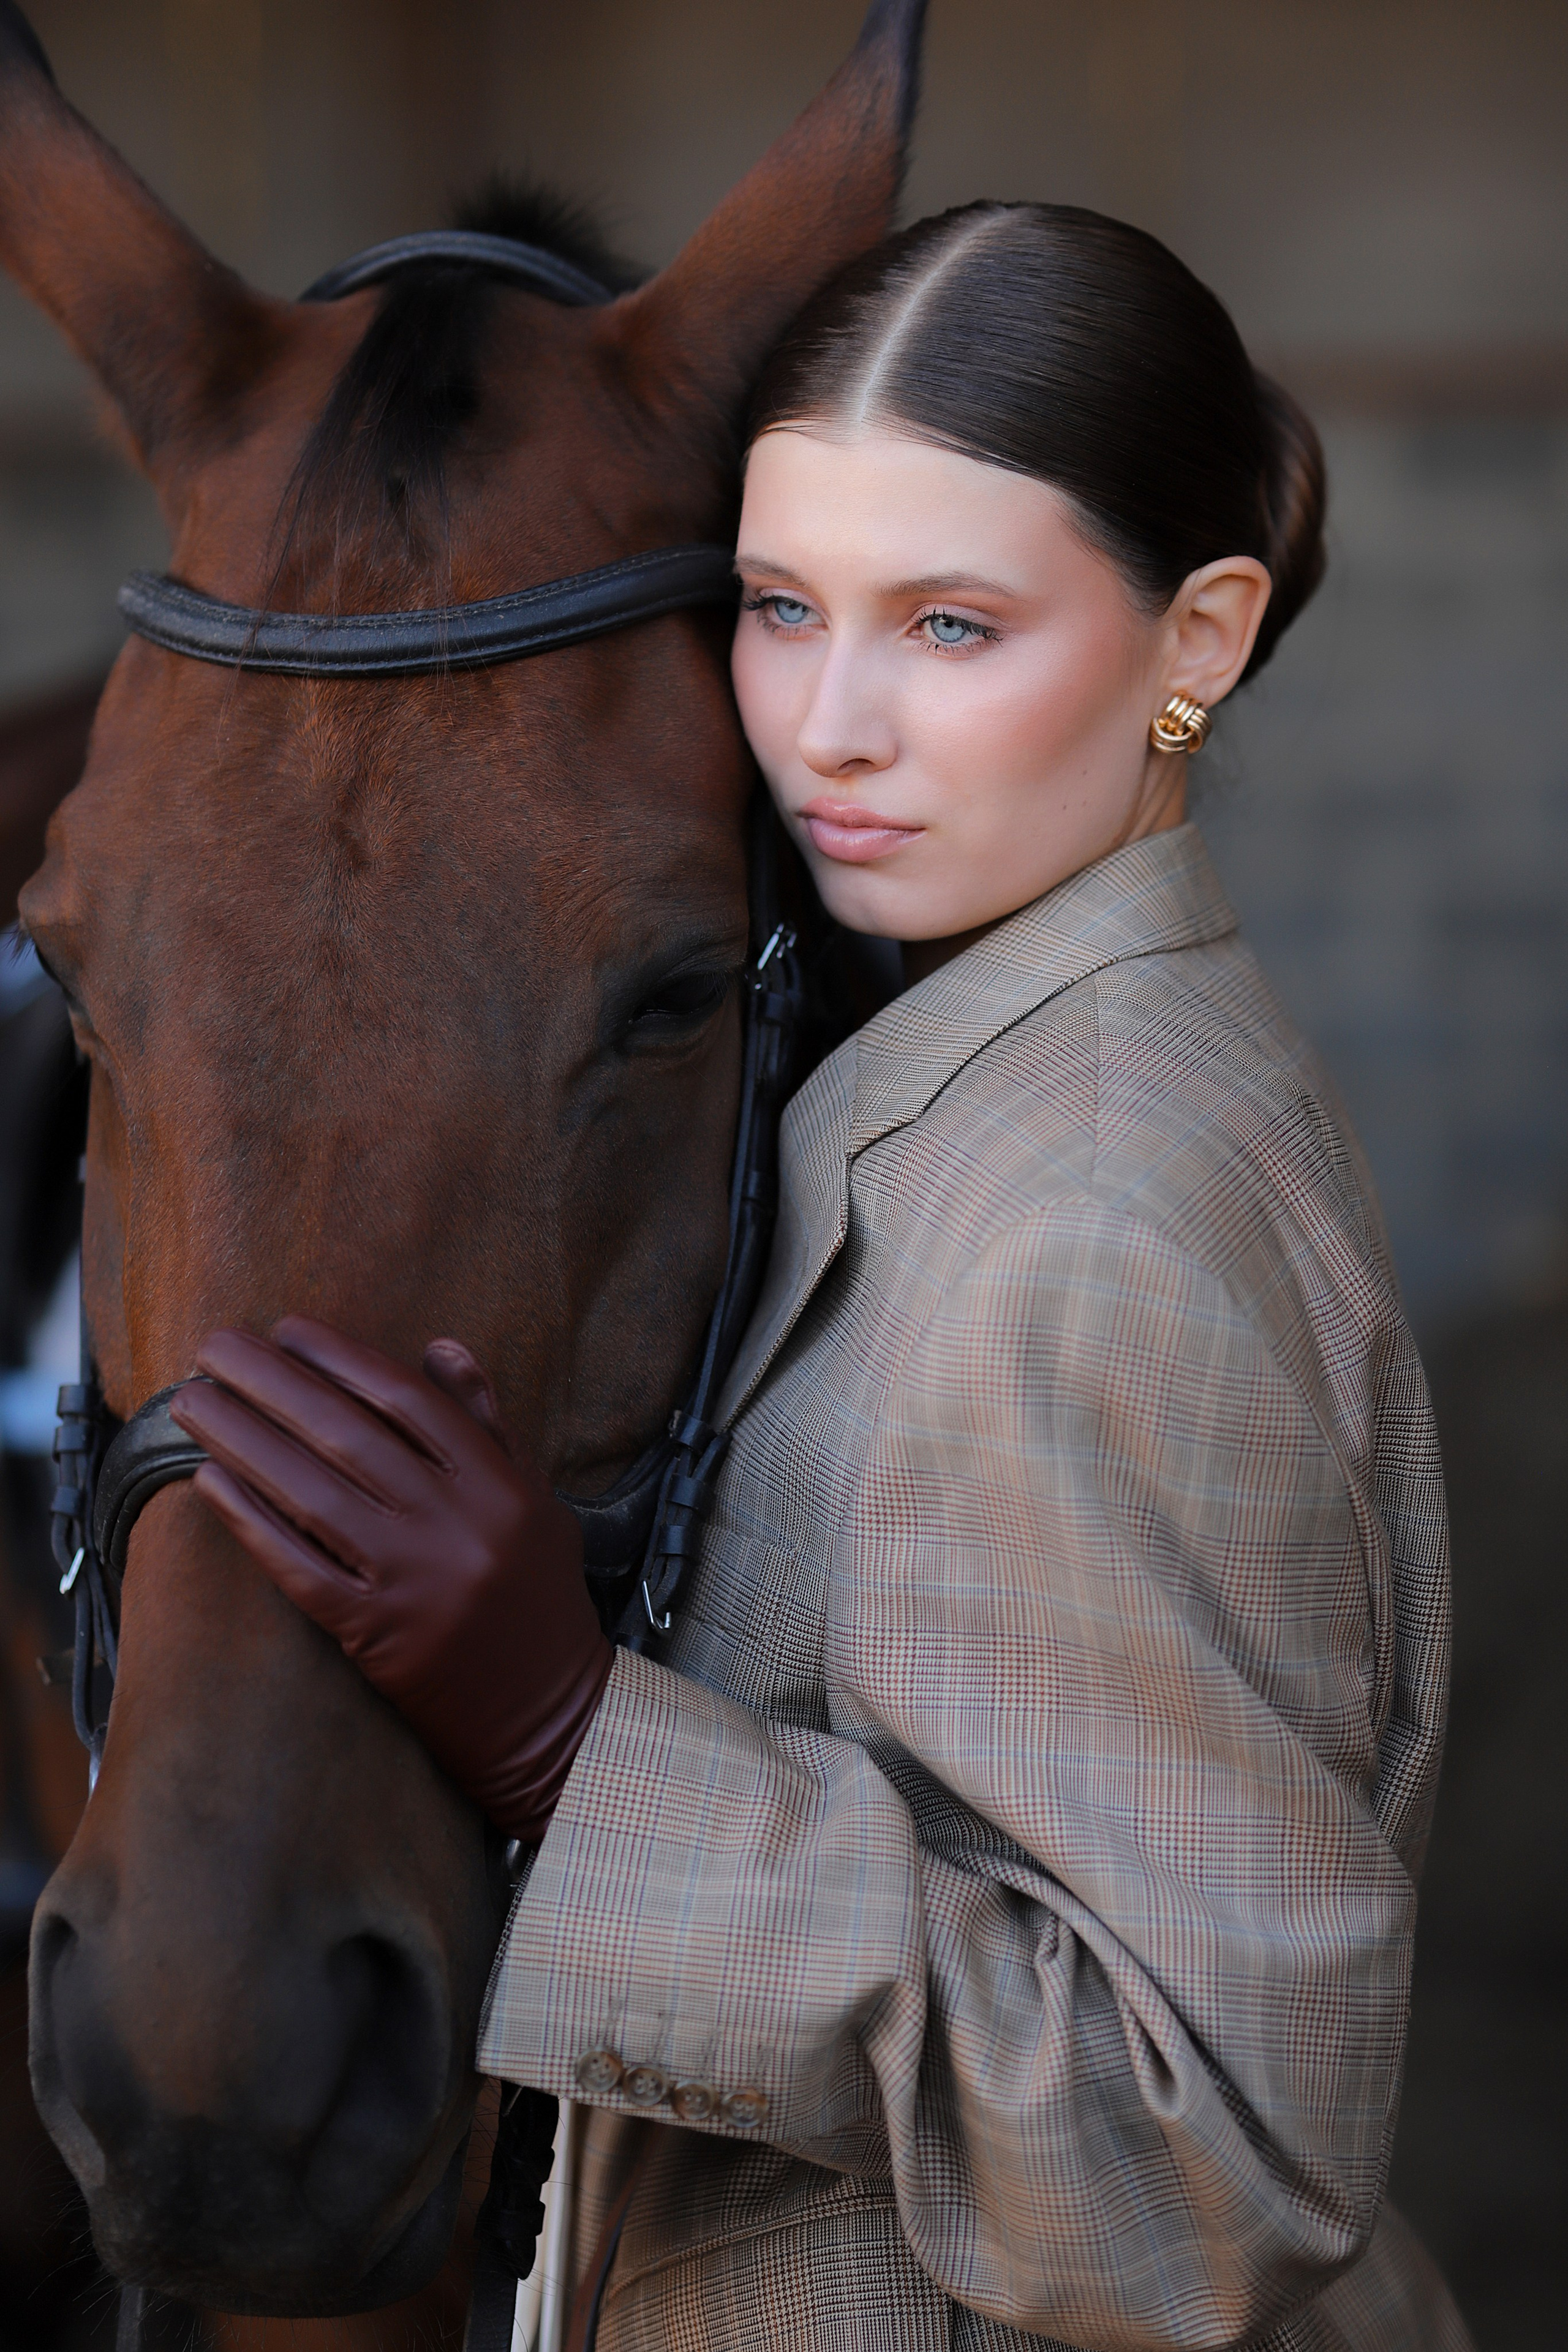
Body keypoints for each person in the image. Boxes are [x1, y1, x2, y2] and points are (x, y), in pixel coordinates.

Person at [172, 203, 1472, 2350]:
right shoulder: (945, 1062)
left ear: (1200, 639)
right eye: (781, 607)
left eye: (951, 628)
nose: (827, 729)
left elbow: (1213, 2171)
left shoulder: (1102, 1223)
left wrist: (577, 1748)